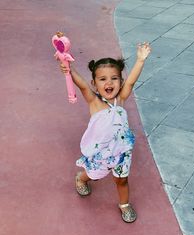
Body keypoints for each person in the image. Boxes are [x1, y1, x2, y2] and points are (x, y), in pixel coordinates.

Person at [60, 42, 151, 223]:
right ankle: (81, 178)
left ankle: (124, 204)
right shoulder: (94, 101)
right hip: (100, 154)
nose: (109, 83)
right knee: (94, 174)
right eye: (102, 79)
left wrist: (140, 60)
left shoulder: (121, 99)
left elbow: (131, 81)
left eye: (114, 78)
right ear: (95, 83)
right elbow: (83, 86)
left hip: (121, 152)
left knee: (122, 180)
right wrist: (68, 68)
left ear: (120, 81)